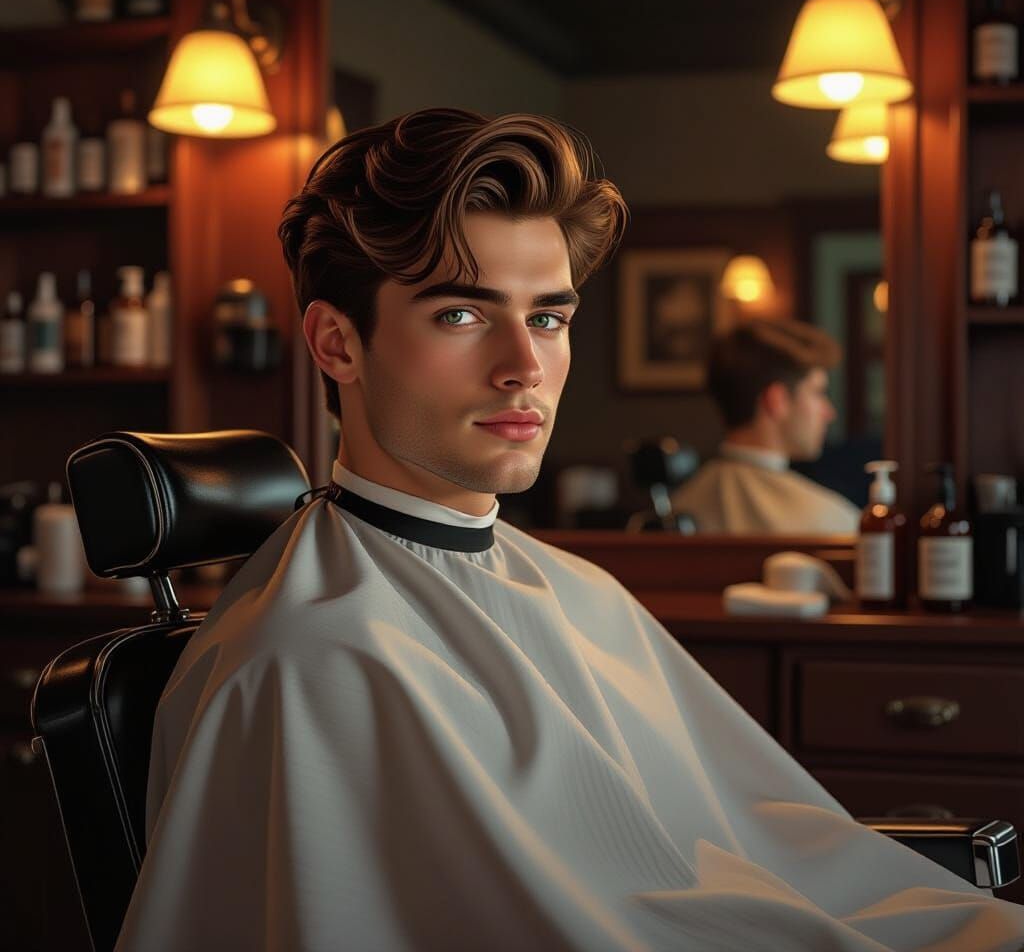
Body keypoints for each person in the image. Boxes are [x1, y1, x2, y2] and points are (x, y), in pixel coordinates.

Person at [115, 108, 1024, 951]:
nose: (526, 368)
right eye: (463, 314)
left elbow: (746, 845)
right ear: (336, 343)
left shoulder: (576, 586)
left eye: (548, 316)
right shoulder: (314, 659)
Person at [670, 318, 862, 534]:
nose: (829, 412)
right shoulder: (832, 521)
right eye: (817, 393)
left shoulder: (678, 508)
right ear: (776, 400)